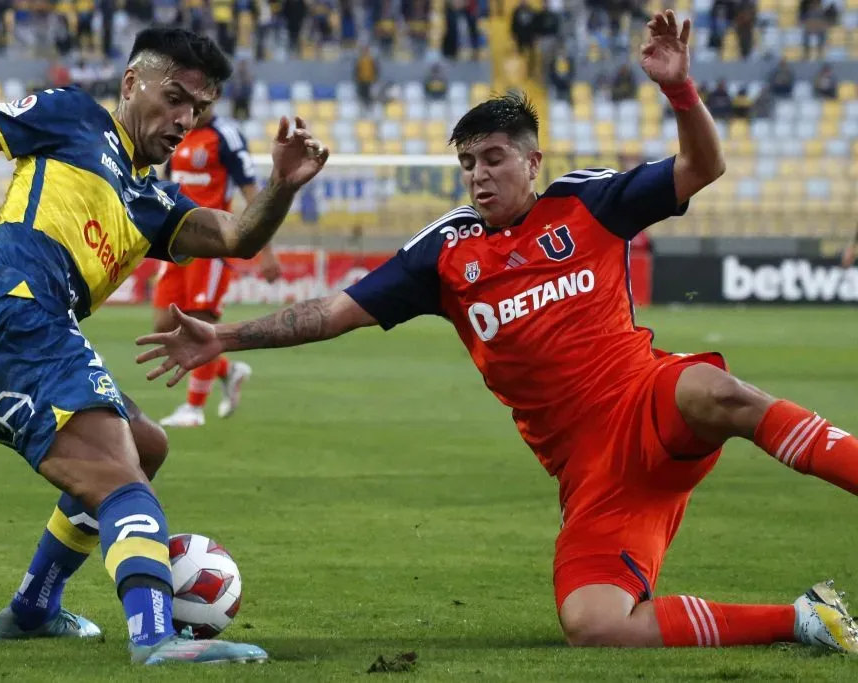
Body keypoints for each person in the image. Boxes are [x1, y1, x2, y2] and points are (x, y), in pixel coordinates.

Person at [135, 11, 858, 653]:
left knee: (714, 389)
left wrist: (678, 89)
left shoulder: (589, 202)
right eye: (467, 164)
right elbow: (334, 310)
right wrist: (225, 338)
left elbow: (705, 165)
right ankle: (802, 620)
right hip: (592, 474)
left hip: (646, 399)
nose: (478, 177)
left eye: (493, 159)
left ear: (531, 162)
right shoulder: (444, 253)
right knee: (594, 624)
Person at [0, 27, 328, 666]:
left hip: (19, 338)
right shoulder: (73, 117)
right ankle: (155, 637)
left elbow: (237, 236)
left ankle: (34, 607)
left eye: (197, 110)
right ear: (131, 83)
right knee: (125, 485)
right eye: (175, 97)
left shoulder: (152, 200)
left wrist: (283, 185)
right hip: (13, 322)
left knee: (147, 447)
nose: (184, 120)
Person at [154, 105, 282, 428]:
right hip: (175, 242)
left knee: (201, 323)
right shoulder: (177, 129)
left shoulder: (225, 136)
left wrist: (265, 250)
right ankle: (227, 370)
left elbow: (252, 192)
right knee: (163, 325)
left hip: (211, 245)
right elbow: (165, 184)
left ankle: (193, 409)